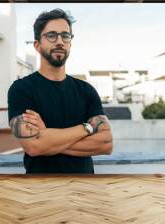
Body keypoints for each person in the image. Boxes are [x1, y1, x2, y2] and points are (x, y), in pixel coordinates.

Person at [8, 8, 113, 174]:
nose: (60, 41)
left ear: (70, 42)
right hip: (40, 190)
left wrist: (47, 139)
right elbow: (34, 146)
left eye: (65, 35)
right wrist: (87, 128)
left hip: (84, 189)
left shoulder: (86, 91)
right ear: (37, 45)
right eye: (51, 35)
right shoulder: (21, 89)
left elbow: (106, 144)